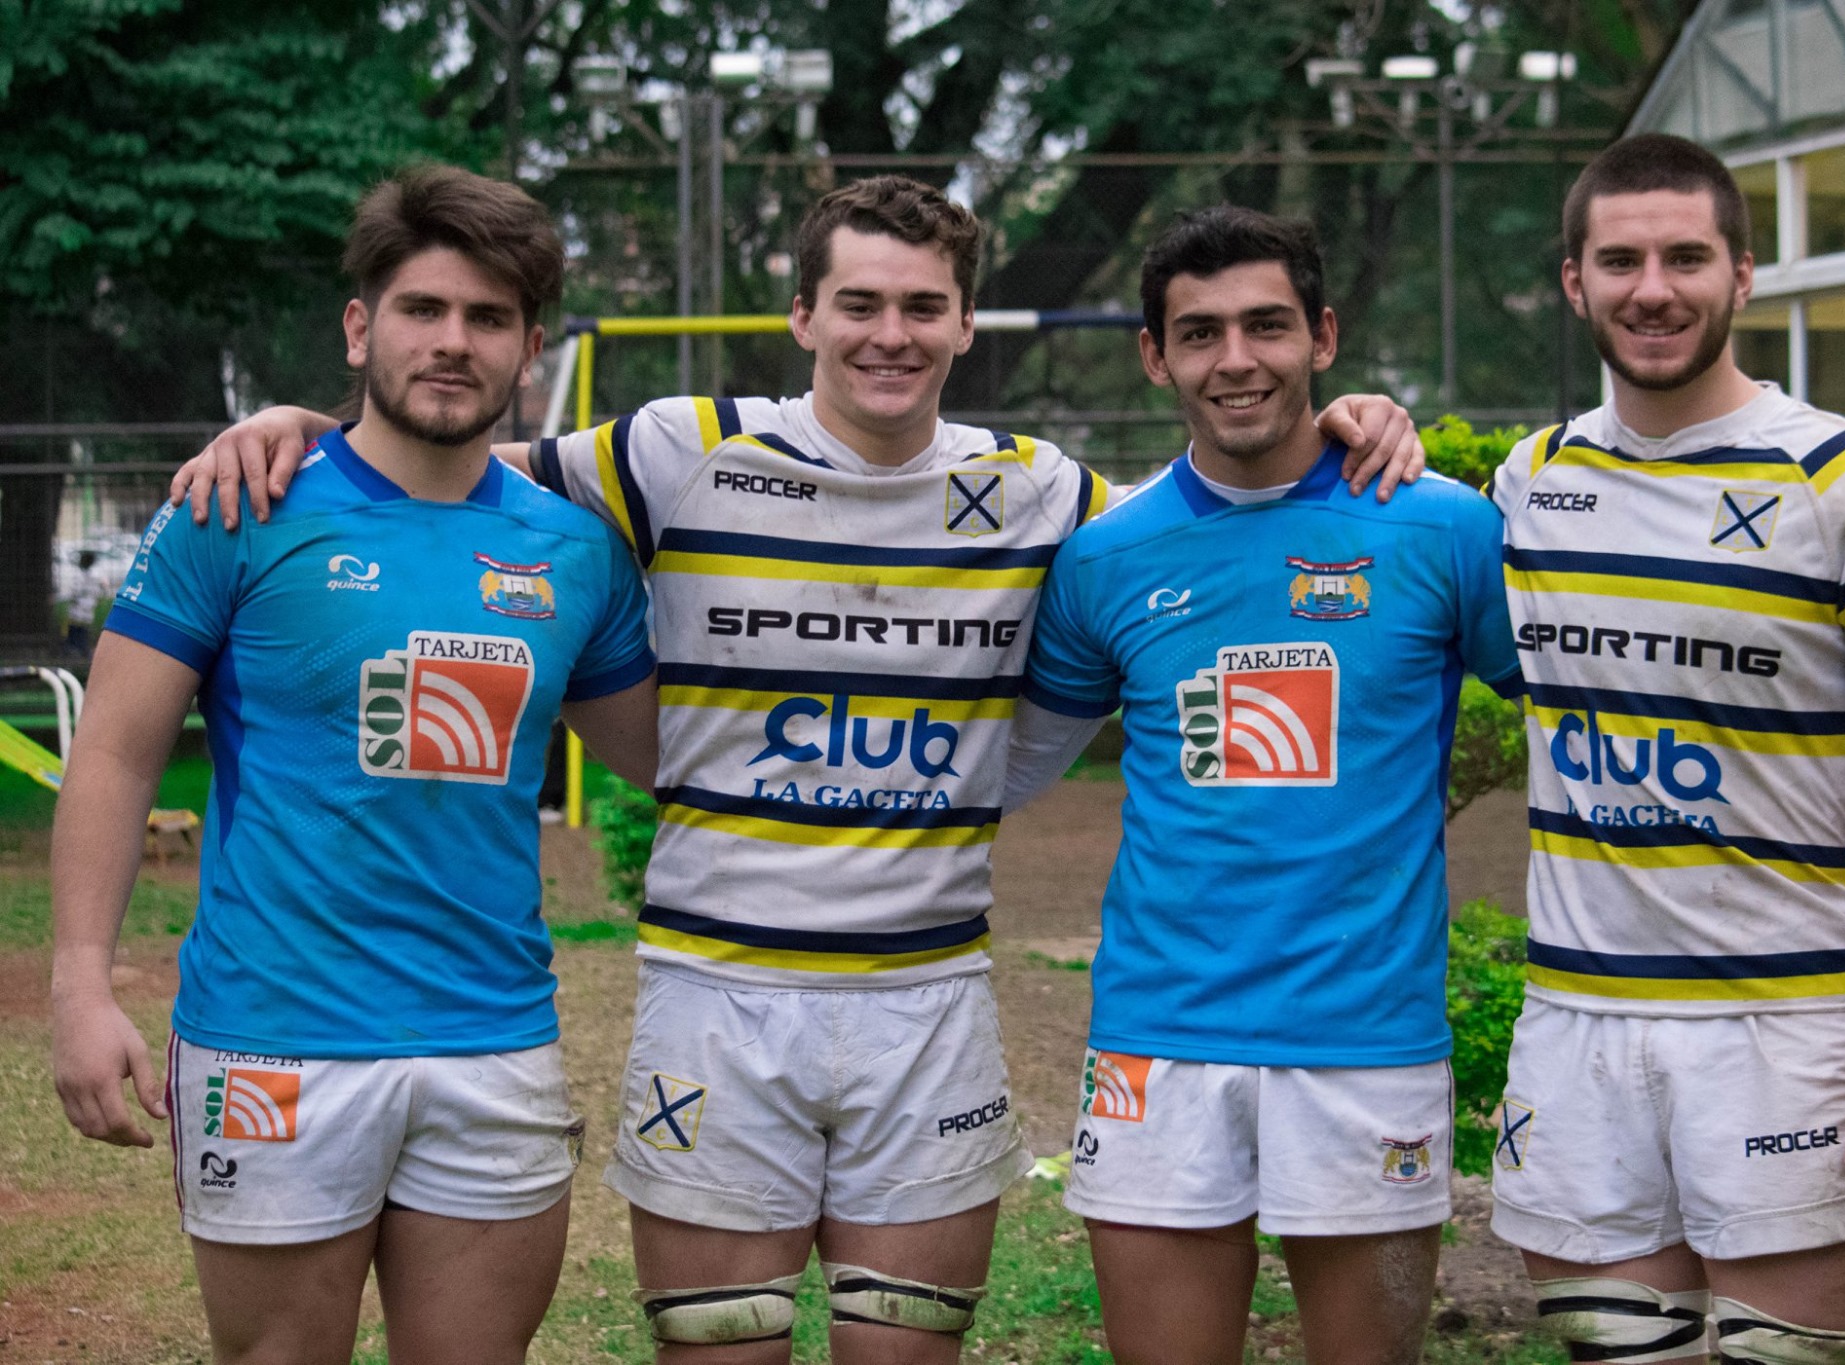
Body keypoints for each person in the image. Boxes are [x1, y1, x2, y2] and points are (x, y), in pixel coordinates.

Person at [167, 175, 1428, 1363]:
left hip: (925, 998)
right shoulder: (673, 450)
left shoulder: (1040, 491)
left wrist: (1342, 421)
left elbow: (1207, 509)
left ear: (964, 323)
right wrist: (295, 424)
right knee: (718, 1343)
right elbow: (438, 466)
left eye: (923, 306)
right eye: (861, 304)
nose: (891, 334)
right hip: (713, 994)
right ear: (803, 315)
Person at [49, 165, 658, 1365]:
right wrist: (80, 985)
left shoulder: (573, 548)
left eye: (487, 320)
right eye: (422, 309)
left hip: (493, 1041)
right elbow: (117, 755)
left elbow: (667, 757)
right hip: (273, 1039)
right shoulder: (239, 502)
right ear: (358, 325)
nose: (451, 342)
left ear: (529, 348)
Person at [1484, 133, 1845, 1365]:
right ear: (1573, 283)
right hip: (1579, 1020)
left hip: (1786, 1028)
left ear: (1742, 274)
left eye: (1684, 257)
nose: (1651, 287)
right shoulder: (1528, 482)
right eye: (1619, 260)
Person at [1007, 206, 1525, 1365]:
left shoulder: (1442, 528)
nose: (1234, 360)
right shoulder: (1103, 556)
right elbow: (1006, 764)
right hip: (1160, 1038)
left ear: (1322, 336)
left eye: (1265, 326)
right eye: (1198, 333)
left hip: (1366, 1042)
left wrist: (1772, 823)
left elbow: (1583, 718)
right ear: (1154, 355)